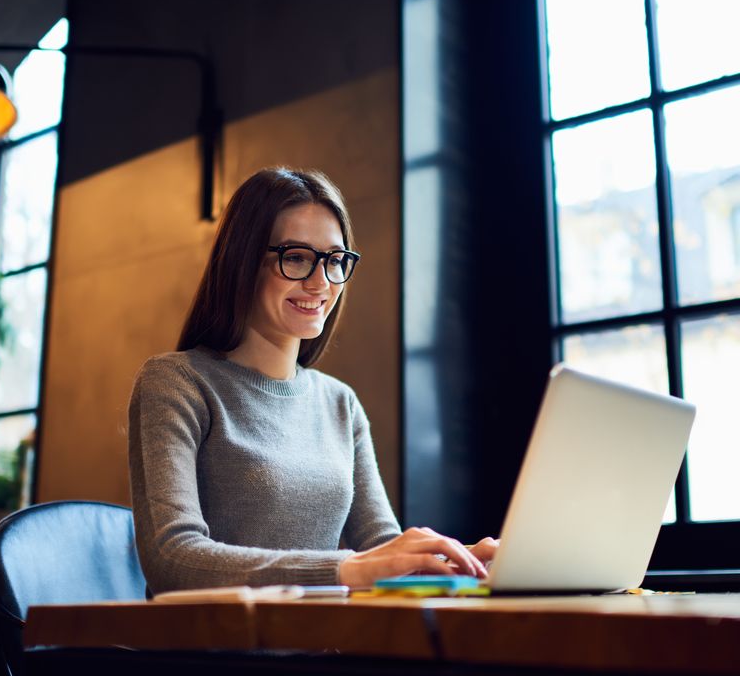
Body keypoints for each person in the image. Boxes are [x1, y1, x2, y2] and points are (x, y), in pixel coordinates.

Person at [128, 167, 497, 593]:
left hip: (322, 651)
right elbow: (173, 558)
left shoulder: (340, 402)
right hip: (218, 655)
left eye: (336, 260)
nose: (321, 282)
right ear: (242, 261)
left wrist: (469, 561)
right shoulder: (176, 382)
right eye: (297, 257)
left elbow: (380, 548)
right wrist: (345, 570)